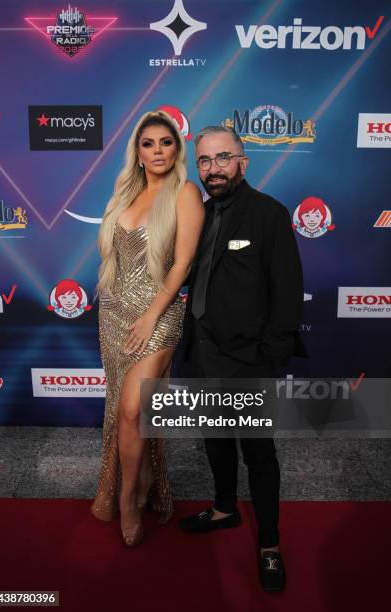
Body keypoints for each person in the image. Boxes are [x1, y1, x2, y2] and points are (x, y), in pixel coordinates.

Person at [177, 125, 306, 591]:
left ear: (243, 162)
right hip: (205, 357)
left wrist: (266, 357)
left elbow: (288, 293)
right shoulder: (200, 215)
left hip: (248, 362)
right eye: (205, 162)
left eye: (223, 158)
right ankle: (225, 507)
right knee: (215, 440)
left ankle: (269, 544)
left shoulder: (268, 214)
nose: (213, 169)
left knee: (258, 453)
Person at [91, 110, 204, 547]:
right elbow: (114, 261)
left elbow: (183, 263)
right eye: (148, 143)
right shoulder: (124, 193)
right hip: (115, 313)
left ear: (177, 150)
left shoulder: (185, 193)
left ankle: (126, 503)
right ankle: (142, 485)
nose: (158, 150)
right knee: (122, 405)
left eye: (166, 142)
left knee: (134, 410)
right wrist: (117, 306)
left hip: (158, 315)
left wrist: (153, 314)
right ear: (137, 153)